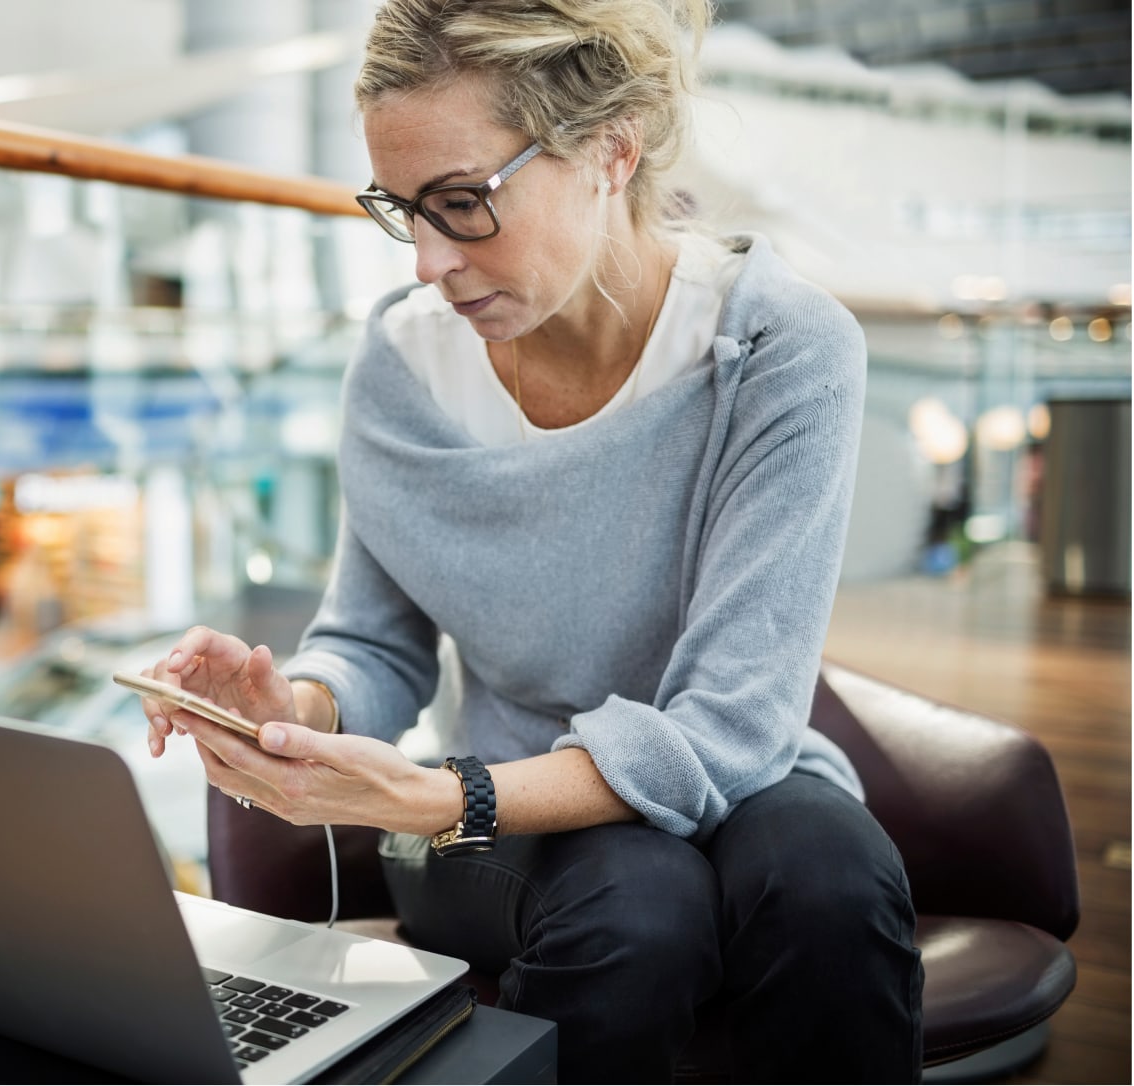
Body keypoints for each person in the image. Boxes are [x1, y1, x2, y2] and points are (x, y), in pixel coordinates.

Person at [140, 0, 924, 1079]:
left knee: (832, 875)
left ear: (610, 152)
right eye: (401, 208)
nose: (425, 261)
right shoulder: (405, 369)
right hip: (499, 828)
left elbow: (737, 726)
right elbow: (374, 646)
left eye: (461, 203)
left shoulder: (777, 349)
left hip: (669, 780)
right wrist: (293, 707)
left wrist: (444, 794)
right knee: (636, 901)